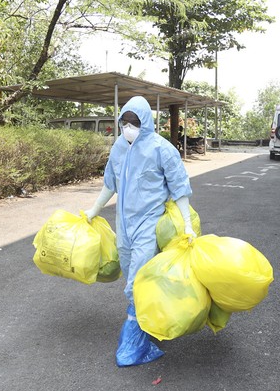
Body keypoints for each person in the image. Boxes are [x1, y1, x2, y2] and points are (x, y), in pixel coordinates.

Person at [84, 96, 196, 367]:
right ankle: (150, 319)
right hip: (124, 225)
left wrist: (188, 224)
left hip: (148, 223)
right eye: (125, 122)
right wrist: (93, 211)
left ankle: (135, 337)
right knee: (129, 272)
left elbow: (179, 187)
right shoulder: (119, 148)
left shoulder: (162, 149)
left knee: (137, 279)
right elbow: (110, 183)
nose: (128, 128)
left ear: (146, 122)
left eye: (134, 123)